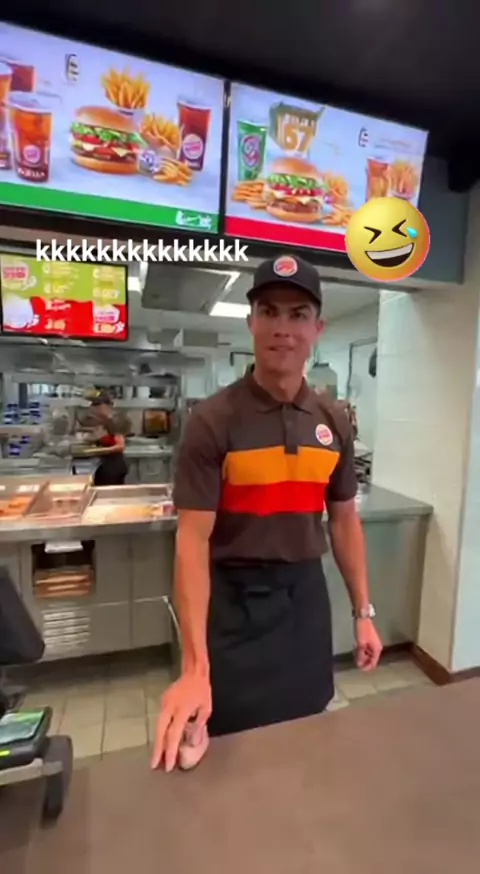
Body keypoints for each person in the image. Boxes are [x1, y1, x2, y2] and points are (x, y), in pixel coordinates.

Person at [152, 254, 383, 773]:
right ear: (251, 321)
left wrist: (363, 614)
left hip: (304, 601)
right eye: (269, 312)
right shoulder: (213, 420)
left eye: (298, 314)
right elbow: (191, 540)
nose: (283, 327)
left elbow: (343, 520)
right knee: (229, 753)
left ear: (318, 328)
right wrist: (194, 667)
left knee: (307, 736)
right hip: (234, 605)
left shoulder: (333, 420)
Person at [87, 394, 128, 487]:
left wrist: (98, 450)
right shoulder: (103, 422)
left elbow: (120, 446)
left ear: (104, 406)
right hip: (106, 464)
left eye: (96, 407)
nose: (94, 410)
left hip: (114, 466)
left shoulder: (113, 422)